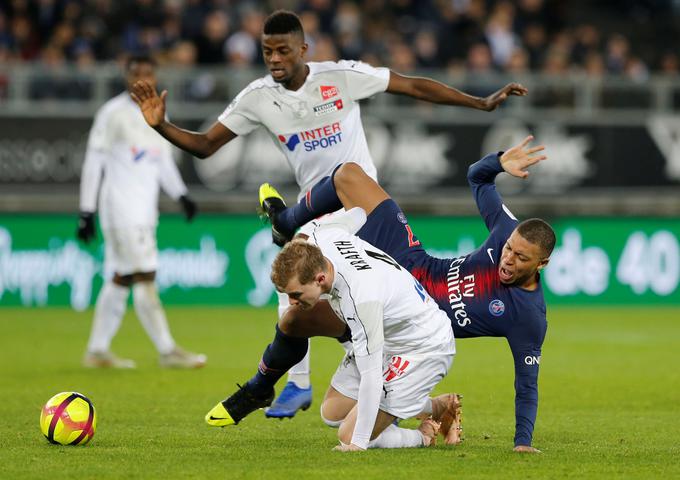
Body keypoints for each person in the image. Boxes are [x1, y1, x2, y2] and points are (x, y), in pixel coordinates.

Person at [130, 9, 528, 415]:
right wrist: (161, 125)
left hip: (361, 207)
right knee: (296, 298)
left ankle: (290, 380)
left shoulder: (339, 76)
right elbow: (205, 145)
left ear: (303, 48)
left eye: (282, 50)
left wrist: (479, 102)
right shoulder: (257, 98)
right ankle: (319, 381)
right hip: (317, 212)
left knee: (302, 275)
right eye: (267, 51)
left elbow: (410, 85)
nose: (274, 59)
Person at [218, 136, 552, 453]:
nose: (508, 258)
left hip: (408, 324)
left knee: (307, 340)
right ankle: (284, 222)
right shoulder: (509, 231)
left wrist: (522, 441)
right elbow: (477, 178)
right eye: (509, 250)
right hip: (409, 263)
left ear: (542, 264)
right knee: (348, 175)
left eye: (521, 258)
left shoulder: (527, 316)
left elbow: (527, 385)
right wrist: (498, 162)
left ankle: (426, 417)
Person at [208, 209, 462, 450]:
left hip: (423, 348)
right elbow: (358, 213)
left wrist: (358, 443)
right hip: (392, 334)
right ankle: (439, 406)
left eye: (296, 294)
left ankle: (423, 436)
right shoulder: (322, 237)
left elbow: (372, 375)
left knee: (349, 433)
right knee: (333, 412)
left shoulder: (361, 298)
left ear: (320, 279)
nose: (292, 303)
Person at [77, 54, 207, 369]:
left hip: (144, 211)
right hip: (121, 210)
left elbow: (160, 159)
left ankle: (96, 350)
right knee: (145, 275)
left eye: (148, 73)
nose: (143, 79)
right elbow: (94, 163)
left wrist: (181, 193)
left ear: (156, 75)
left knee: (122, 277)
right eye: (136, 73)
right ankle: (167, 350)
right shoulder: (112, 114)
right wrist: (86, 210)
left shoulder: (156, 112)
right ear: (127, 76)